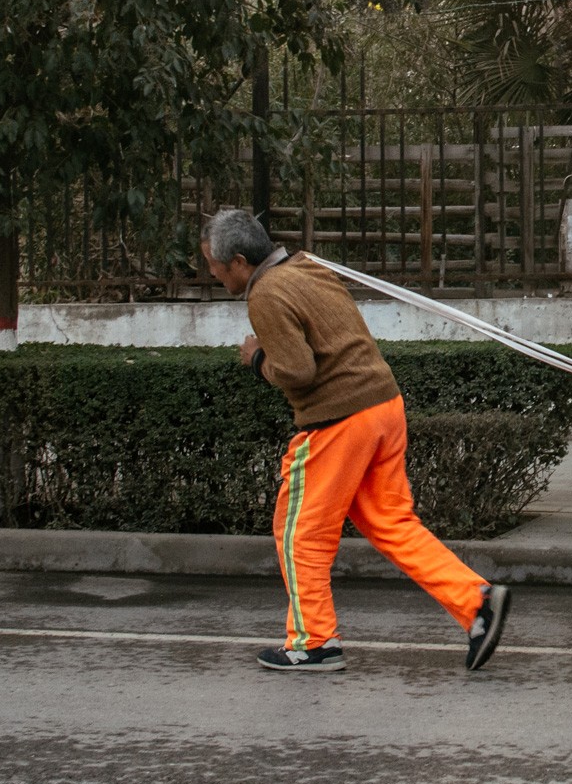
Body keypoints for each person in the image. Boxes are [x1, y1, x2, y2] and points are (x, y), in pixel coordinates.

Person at [200, 208, 509, 673]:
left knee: (298, 532)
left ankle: (313, 642)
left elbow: (298, 370)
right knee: (391, 523)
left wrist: (258, 357)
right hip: (383, 405)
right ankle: (476, 601)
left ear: (239, 261)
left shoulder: (265, 292)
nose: (211, 271)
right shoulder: (306, 265)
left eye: (213, 263)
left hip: (338, 420)